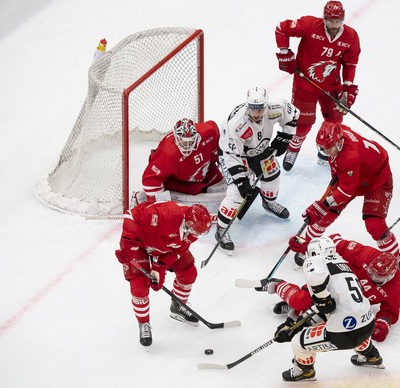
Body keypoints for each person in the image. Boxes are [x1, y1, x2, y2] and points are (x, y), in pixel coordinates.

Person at [288, 121, 400, 280]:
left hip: (377, 180)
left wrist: (321, 205)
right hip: (351, 175)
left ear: (339, 142)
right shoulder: (338, 133)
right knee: (322, 215)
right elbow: (333, 121)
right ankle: (308, 247)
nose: (324, 152)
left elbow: (346, 191)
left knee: (375, 225)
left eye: (327, 148)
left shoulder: (349, 157)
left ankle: (394, 260)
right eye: (320, 148)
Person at [272, 237, 384, 382]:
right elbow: (330, 308)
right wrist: (296, 324)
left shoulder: (316, 262)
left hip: (345, 334)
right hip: (368, 324)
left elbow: (318, 282)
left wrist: (322, 298)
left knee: (298, 342)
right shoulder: (343, 265)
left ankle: (304, 371)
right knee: (353, 321)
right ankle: (371, 355)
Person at [267, 233, 400, 343]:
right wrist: (307, 246)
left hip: (349, 304)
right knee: (300, 301)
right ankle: (278, 285)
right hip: (331, 282)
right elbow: (335, 243)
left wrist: (382, 324)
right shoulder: (367, 255)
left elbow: (390, 312)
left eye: (379, 277)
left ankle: (296, 309)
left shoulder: (397, 288)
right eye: (371, 272)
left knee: (323, 322)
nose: (373, 277)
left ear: (390, 276)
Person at [275, 0, 361, 170]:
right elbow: (281, 28)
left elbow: (350, 63)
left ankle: (325, 150)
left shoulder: (350, 36)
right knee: (303, 124)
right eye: (330, 20)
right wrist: (284, 54)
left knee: (335, 121)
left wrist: (347, 88)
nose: (334, 24)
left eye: (337, 21)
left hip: (332, 86)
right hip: (305, 84)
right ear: (324, 18)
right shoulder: (309, 25)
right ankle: (294, 148)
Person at [215, 86, 300, 254]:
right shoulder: (236, 124)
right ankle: (221, 230)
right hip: (234, 155)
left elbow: (294, 114)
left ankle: (268, 203)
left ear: (265, 104)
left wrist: (285, 136)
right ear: (247, 106)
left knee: (273, 177)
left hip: (261, 150)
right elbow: (232, 155)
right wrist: (241, 180)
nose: (256, 112)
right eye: (253, 108)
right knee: (236, 193)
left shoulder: (275, 107)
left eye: (260, 108)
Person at [114, 201, 212, 346]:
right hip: (138, 243)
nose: (196, 235)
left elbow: (178, 251)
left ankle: (178, 307)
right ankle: (144, 324)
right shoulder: (165, 215)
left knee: (189, 273)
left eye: (199, 232)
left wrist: (159, 267)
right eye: (195, 230)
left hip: (163, 247)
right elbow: (131, 216)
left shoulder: (194, 230)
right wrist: (129, 246)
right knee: (139, 286)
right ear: (187, 221)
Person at [135, 118, 225, 204]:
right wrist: (159, 206)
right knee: (198, 194)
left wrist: (218, 158)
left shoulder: (209, 132)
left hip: (204, 168)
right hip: (178, 179)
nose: (187, 146)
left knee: (221, 185)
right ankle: (141, 198)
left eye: (190, 142)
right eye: (184, 142)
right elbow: (150, 178)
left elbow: (214, 130)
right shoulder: (168, 153)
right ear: (176, 138)